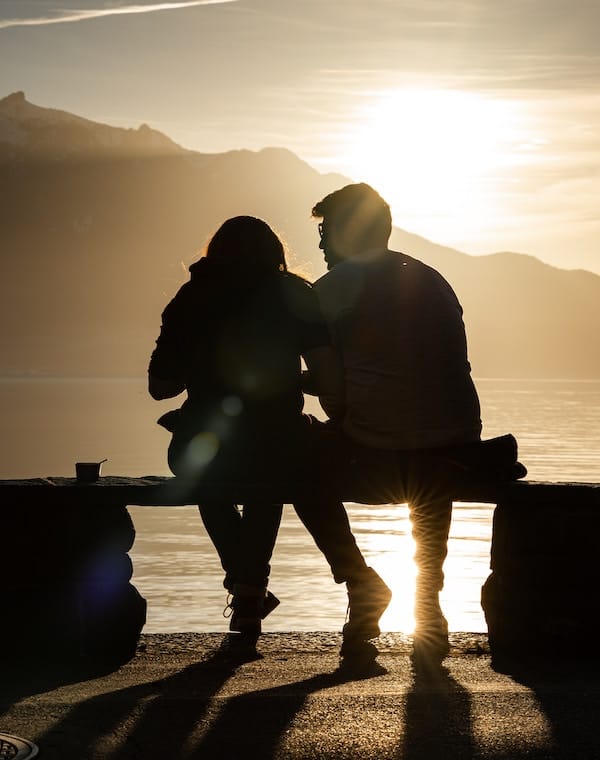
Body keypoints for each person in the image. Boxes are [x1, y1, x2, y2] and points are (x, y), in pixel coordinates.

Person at [148, 216, 391, 651]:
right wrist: (290, 380)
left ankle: (247, 592)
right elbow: (326, 377)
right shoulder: (296, 294)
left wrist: (205, 366)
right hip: (282, 439)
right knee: (290, 468)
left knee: (209, 474)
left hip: (205, 443)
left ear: (214, 253)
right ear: (274, 254)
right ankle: (349, 580)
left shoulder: (189, 299)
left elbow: (160, 387)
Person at [309, 183, 486, 663]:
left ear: (346, 232)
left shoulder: (329, 291)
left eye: (325, 231)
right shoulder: (432, 279)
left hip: (381, 452)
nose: (321, 244)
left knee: (299, 467)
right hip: (457, 444)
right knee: (427, 454)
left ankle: (359, 580)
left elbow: (336, 403)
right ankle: (428, 602)